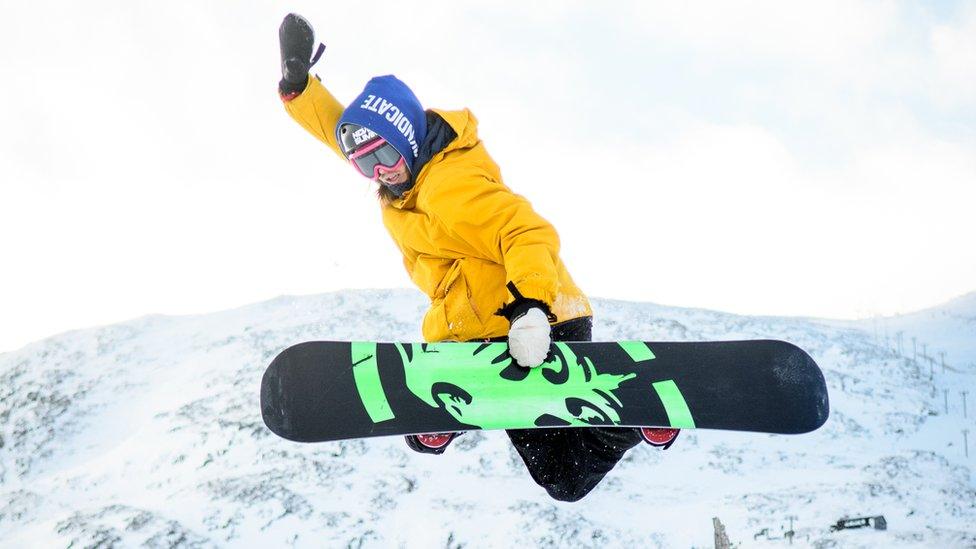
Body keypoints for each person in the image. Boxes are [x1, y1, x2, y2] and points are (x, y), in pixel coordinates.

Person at [277, 13, 679, 502]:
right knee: (566, 478)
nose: (376, 173)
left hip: (531, 322)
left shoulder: (450, 186)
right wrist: (300, 89)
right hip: (475, 333)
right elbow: (342, 132)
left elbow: (527, 231)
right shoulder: (402, 172)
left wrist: (531, 308)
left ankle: (627, 408)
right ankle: (622, 416)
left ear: (406, 139)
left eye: (382, 157)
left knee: (564, 473)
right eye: (363, 163)